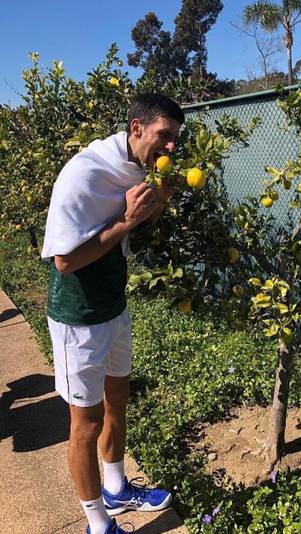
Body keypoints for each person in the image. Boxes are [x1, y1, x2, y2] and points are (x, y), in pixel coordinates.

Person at [41, 93, 184, 534]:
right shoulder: (83, 173)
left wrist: (157, 202)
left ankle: (117, 487)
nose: (171, 147)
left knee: (117, 398)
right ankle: (97, 523)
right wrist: (126, 221)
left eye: (176, 139)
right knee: (85, 423)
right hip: (78, 318)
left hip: (114, 307)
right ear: (136, 129)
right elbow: (63, 260)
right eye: (164, 136)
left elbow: (138, 222)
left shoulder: (137, 166)